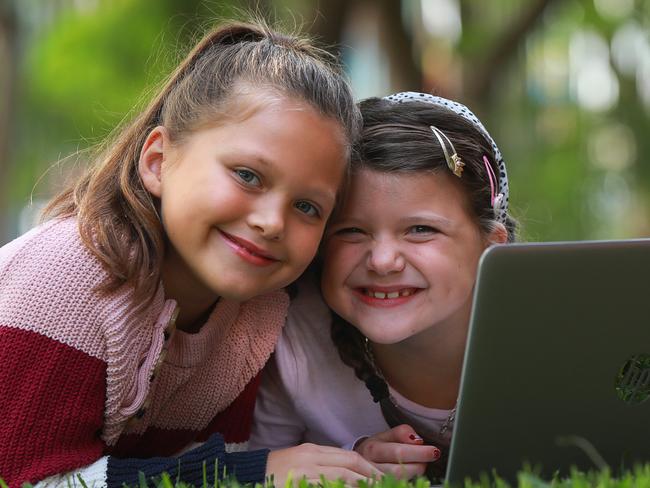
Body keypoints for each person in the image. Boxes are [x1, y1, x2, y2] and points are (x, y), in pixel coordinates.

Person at [0, 20, 382, 488]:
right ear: (158, 162)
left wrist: (348, 460)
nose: (272, 222)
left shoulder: (256, 314)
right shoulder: (68, 274)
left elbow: (202, 465)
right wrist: (251, 473)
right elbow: (28, 478)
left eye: (307, 206)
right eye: (247, 175)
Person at [250, 92, 518, 481]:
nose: (382, 261)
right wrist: (350, 458)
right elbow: (259, 464)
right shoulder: (293, 338)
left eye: (421, 230)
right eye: (352, 231)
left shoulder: (545, 340)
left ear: (489, 246)